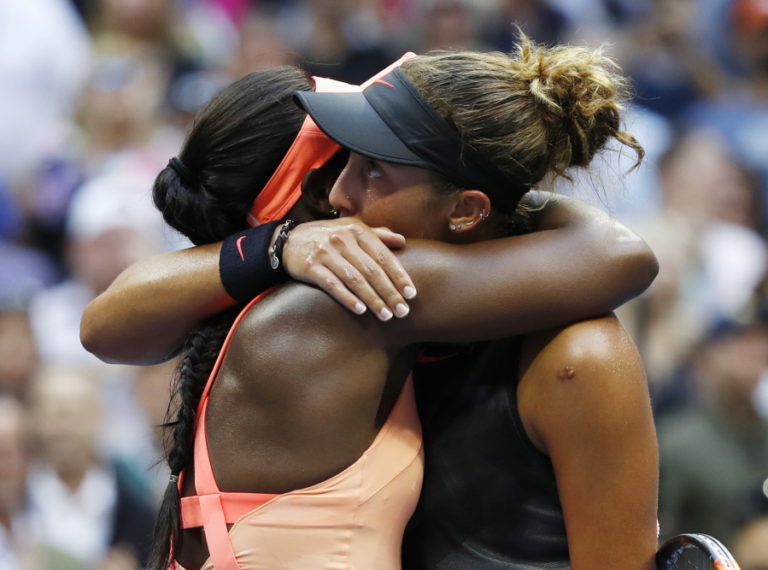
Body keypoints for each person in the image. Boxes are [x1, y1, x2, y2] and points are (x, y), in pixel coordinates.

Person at [82, 40, 658, 570]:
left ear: (466, 207)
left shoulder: (577, 358)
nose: (342, 197)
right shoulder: (353, 299)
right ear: (307, 211)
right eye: (345, 163)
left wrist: (272, 245)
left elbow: (108, 325)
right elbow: (620, 252)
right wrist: (507, 184)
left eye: (374, 164)